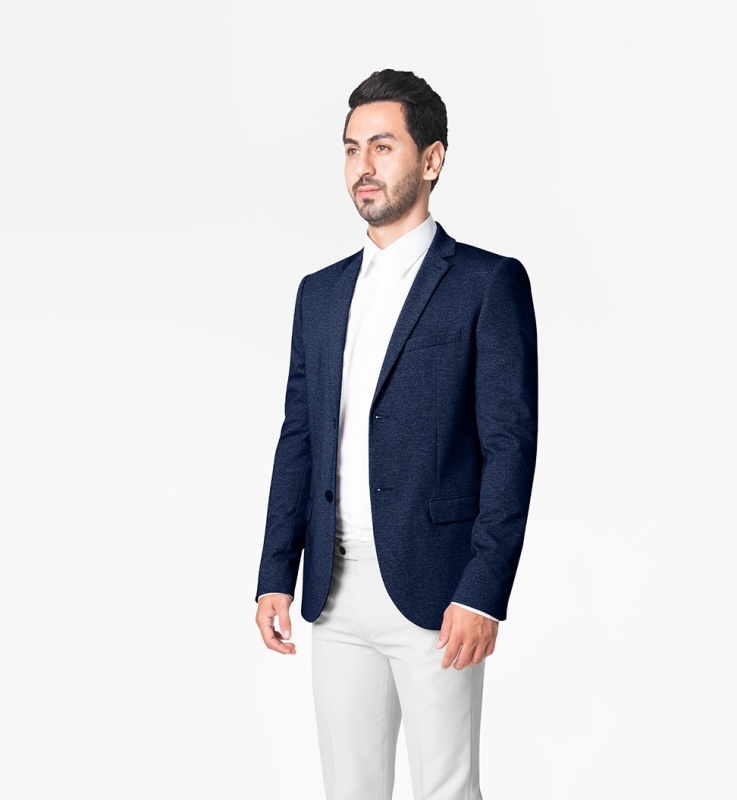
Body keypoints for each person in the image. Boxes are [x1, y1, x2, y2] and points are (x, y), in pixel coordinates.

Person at [254, 68, 538, 800]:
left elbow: (510, 446)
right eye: (352, 148)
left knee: (447, 788)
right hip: (334, 588)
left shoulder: (487, 283)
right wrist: (276, 571)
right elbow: (298, 437)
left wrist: (484, 591)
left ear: (432, 159)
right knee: (348, 790)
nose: (364, 166)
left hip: (439, 589)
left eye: (383, 146)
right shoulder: (319, 294)